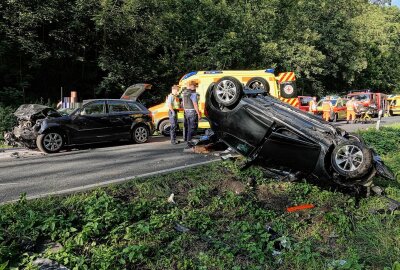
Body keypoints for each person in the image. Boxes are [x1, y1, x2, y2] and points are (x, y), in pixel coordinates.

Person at [182, 81, 201, 152]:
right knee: (193, 128)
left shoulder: (184, 93)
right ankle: (191, 144)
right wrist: (198, 113)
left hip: (186, 112)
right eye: (195, 86)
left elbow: (183, 104)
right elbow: (195, 104)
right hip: (192, 112)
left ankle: (188, 142)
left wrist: (185, 111)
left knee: (189, 128)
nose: (195, 87)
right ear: (192, 86)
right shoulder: (193, 94)